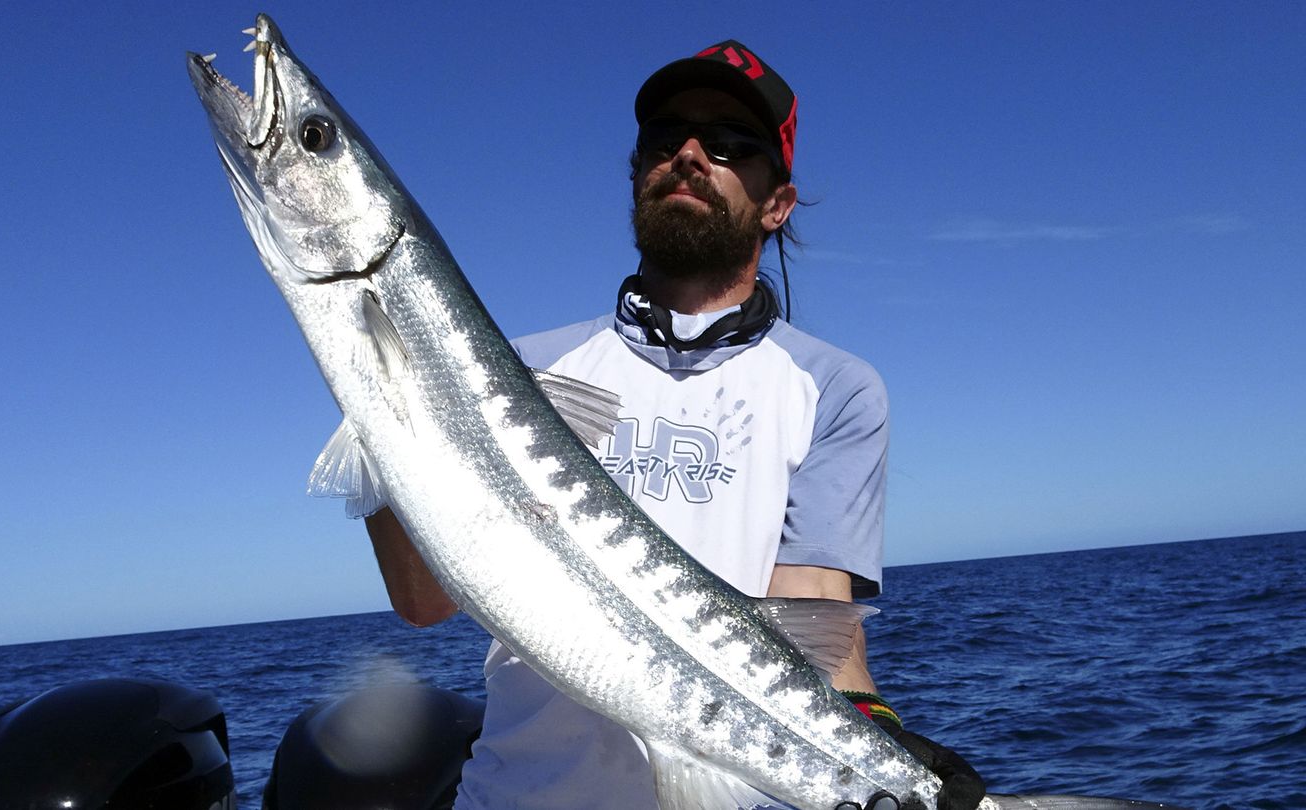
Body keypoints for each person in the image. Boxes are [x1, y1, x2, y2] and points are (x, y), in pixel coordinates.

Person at [365, 40, 984, 810]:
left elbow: (818, 627)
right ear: (637, 173)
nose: (690, 153)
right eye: (666, 139)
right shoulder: (516, 374)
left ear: (777, 203)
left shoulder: (835, 389)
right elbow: (426, 599)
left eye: (729, 145)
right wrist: (378, 399)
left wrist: (883, 744)